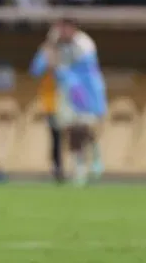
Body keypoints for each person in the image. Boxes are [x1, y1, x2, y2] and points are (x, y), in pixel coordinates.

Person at [30, 19, 108, 186]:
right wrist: (49, 45)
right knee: (71, 131)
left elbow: (86, 73)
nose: (62, 33)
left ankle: (94, 158)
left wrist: (93, 99)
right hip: (65, 95)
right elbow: (36, 68)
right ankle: (79, 167)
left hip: (84, 93)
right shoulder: (54, 45)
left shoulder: (84, 44)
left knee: (85, 128)